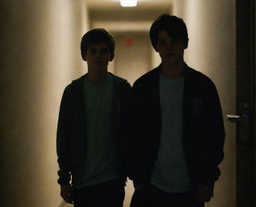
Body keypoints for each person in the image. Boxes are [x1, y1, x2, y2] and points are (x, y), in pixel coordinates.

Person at [128, 14, 225, 207]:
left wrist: (207, 180)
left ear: (185, 43)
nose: (169, 47)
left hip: (191, 187)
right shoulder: (143, 87)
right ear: (156, 47)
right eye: (162, 42)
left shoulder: (202, 87)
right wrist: (138, 180)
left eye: (174, 41)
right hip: (151, 186)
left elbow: (214, 135)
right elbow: (132, 133)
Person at [56, 28, 132, 207]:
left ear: (111, 55)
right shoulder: (73, 92)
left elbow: (132, 131)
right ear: (84, 55)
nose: (98, 56)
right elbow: (63, 137)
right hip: (83, 181)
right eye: (93, 51)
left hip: (113, 180)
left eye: (103, 51)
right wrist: (64, 179)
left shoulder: (121, 89)